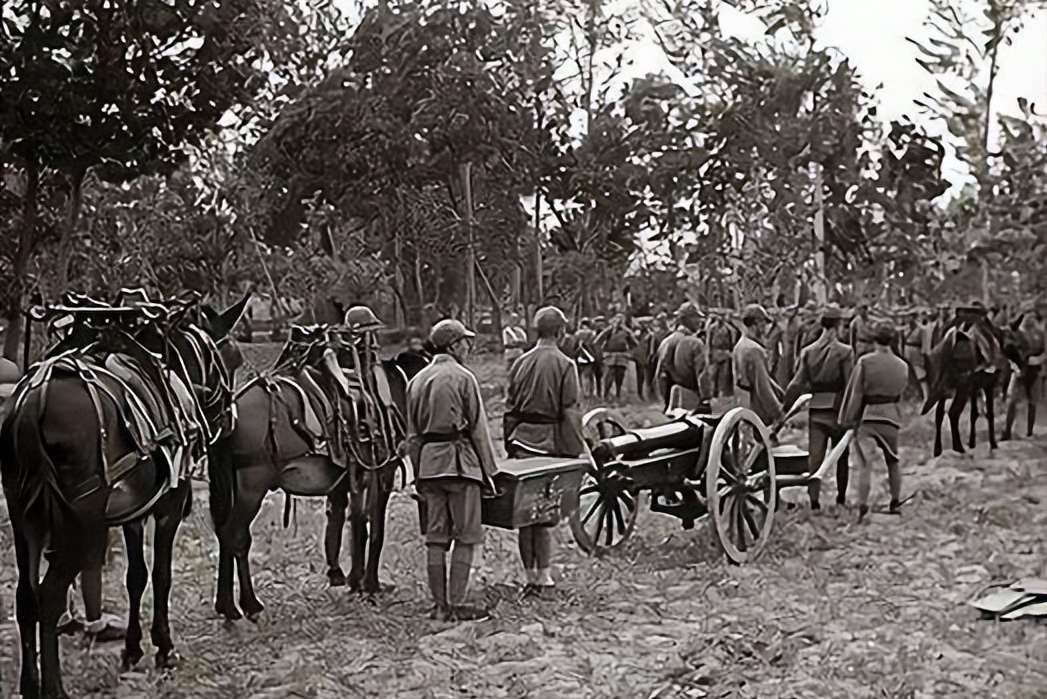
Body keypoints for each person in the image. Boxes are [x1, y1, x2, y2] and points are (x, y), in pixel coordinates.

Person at [404, 319, 498, 621]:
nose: (468, 346)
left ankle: (439, 606)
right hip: (460, 465)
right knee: (466, 536)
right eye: (465, 341)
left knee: (435, 538)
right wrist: (490, 472)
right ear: (454, 345)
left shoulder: (415, 381)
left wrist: (418, 473)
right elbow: (479, 430)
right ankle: (456, 604)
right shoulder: (463, 377)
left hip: (429, 467)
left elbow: (412, 437)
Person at [504, 306, 586, 593]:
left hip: (520, 443)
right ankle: (545, 576)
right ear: (561, 332)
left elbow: (510, 409)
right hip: (549, 444)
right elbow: (570, 412)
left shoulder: (519, 362)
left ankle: (529, 576)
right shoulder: (565, 364)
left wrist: (509, 443)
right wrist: (576, 450)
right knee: (546, 513)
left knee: (524, 515)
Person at [782, 305, 853, 510]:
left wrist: (785, 407)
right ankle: (840, 498)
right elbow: (850, 386)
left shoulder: (808, 352)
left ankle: (814, 501)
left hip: (816, 409)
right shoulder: (845, 352)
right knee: (840, 456)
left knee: (816, 457)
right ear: (838, 325)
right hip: (838, 409)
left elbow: (796, 384)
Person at [838, 321, 909, 522]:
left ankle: (862, 506)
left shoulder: (865, 362)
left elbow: (856, 393)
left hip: (868, 416)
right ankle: (895, 502)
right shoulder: (902, 365)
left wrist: (848, 419)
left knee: (864, 464)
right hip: (891, 416)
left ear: (874, 340)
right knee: (893, 461)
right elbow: (900, 392)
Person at [732, 304, 784, 426]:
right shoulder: (754, 350)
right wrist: (778, 413)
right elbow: (763, 387)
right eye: (764, 323)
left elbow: (764, 378)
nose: (765, 327)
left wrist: (781, 393)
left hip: (742, 407)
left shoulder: (740, 345)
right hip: (756, 411)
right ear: (756, 323)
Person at [654, 303, 702, 411]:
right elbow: (702, 375)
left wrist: (665, 400)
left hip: (671, 401)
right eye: (695, 317)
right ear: (686, 319)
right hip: (691, 400)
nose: (699, 321)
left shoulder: (667, 341)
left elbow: (660, 375)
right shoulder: (694, 343)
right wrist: (706, 399)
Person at [596, 313, 637, 401]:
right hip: (610, 355)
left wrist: (628, 334)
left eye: (621, 320)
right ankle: (605, 395)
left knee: (620, 376)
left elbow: (635, 343)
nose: (618, 322)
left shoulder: (626, 332)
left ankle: (618, 394)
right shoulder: (610, 331)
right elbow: (598, 340)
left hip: (622, 356)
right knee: (608, 376)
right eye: (617, 319)